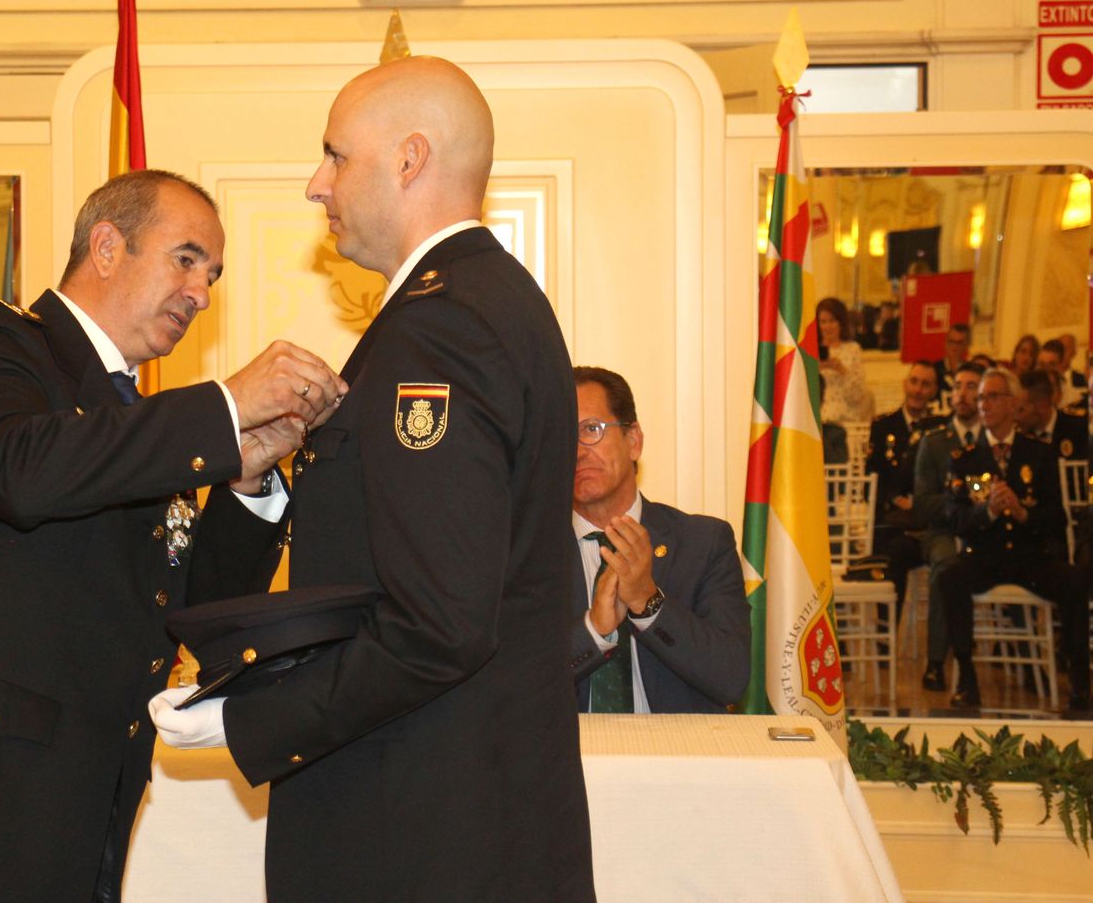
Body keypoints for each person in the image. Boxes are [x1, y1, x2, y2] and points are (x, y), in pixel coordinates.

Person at [0, 168, 346, 902]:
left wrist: (247, 478)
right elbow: (22, 473)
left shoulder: (135, 425)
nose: (201, 293)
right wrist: (225, 405)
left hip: (69, 825)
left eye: (213, 274)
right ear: (105, 246)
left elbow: (189, 606)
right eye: (186, 259)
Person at [150, 57, 596, 900]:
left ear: (409, 159)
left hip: (422, 826)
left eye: (335, 156)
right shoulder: (476, 303)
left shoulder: (441, 330)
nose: (316, 185)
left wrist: (251, 720)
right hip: (458, 807)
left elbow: (439, 623)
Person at [567, 366, 749, 713]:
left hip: (677, 760)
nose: (577, 452)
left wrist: (648, 603)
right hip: (567, 761)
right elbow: (505, 685)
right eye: (562, 436)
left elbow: (731, 678)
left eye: (591, 429)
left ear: (633, 441)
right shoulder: (525, 552)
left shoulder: (704, 543)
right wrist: (593, 630)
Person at [937, 367, 1089, 714]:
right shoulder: (965, 458)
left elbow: (1057, 518)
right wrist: (988, 513)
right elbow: (957, 520)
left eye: (991, 396)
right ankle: (967, 680)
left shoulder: (1038, 453)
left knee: (1076, 580)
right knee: (949, 576)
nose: (983, 405)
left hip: (1029, 556)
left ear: (1012, 402)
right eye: (980, 398)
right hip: (986, 557)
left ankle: (1080, 683)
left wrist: (1024, 514)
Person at [910, 361, 985, 691]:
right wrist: (960, 500)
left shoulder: (993, 439)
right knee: (944, 567)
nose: (963, 394)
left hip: (985, 531)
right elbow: (922, 503)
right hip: (942, 530)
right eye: (957, 387)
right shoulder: (934, 441)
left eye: (972, 387)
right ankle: (936, 662)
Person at [863, 361, 944, 604]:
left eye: (925, 384)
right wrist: (896, 499)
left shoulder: (940, 428)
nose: (918, 390)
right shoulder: (883, 426)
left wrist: (921, 504)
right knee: (894, 555)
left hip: (929, 524)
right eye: (914, 382)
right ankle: (887, 636)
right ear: (905, 384)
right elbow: (871, 482)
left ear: (934, 390)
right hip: (893, 522)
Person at [817, 296, 875, 424]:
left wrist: (842, 370)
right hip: (816, 420)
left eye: (832, 321)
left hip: (846, 420)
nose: (827, 327)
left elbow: (858, 396)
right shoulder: (809, 351)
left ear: (841, 322)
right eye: (823, 322)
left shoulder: (853, 350)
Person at [1017, 368, 1088, 461]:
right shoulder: (1019, 437)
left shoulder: (1079, 430)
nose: (1016, 417)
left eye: (1021, 410)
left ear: (1042, 406)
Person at [930, 323, 971, 407]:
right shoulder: (934, 370)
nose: (954, 347)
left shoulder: (970, 371)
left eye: (959, 343)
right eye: (951, 341)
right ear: (945, 343)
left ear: (966, 346)